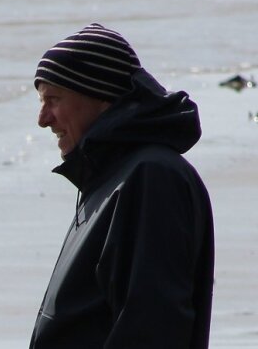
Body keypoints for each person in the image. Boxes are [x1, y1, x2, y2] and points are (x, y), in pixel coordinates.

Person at [29, 23, 215, 348]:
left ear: (100, 97)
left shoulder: (152, 177)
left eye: (54, 100)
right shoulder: (109, 177)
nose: (43, 119)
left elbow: (155, 326)